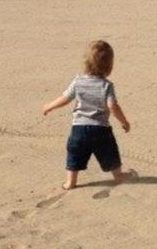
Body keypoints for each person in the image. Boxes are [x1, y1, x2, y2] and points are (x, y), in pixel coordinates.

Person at [41, 40, 131, 190]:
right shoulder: (106, 85)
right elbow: (112, 106)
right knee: (109, 153)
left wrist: (49, 106)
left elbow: (65, 98)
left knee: (74, 153)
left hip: (79, 129)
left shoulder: (77, 82)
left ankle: (70, 182)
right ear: (109, 66)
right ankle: (118, 176)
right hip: (101, 129)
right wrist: (124, 121)